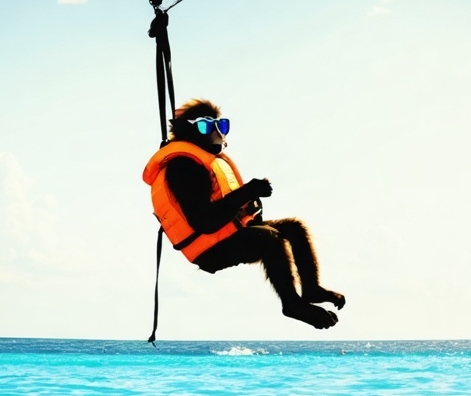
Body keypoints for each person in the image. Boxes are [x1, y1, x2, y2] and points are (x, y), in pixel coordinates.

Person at [143, 99, 345, 330]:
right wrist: (247, 192)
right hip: (208, 248)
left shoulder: (206, 161)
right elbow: (204, 222)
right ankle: (292, 304)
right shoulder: (184, 166)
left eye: (222, 125)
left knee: (293, 228)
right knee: (269, 239)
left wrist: (249, 199)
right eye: (205, 126)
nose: (217, 132)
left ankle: (311, 289)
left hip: (228, 233)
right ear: (188, 131)